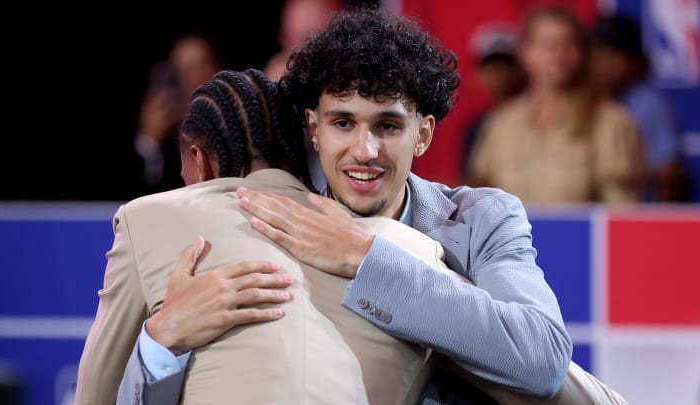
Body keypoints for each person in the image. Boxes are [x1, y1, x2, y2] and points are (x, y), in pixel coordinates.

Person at [231, 5, 573, 401]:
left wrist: (364, 257)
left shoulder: (482, 219)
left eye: (387, 126)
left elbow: (541, 359)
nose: (364, 150)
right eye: (343, 123)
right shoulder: (277, 225)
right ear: (314, 130)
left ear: (423, 134)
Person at [76, 68, 473, 405]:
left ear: (197, 159)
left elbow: (96, 396)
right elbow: (526, 375)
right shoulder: (416, 249)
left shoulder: (147, 218)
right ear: (309, 139)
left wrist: (160, 340)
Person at [467, 6, 646, 205]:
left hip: (578, 236)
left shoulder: (611, 122)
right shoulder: (502, 122)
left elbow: (621, 211)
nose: (556, 53)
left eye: (567, 44)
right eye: (545, 44)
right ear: (525, 52)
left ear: (582, 53)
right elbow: (481, 193)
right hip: (510, 236)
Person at [589, 13, 688, 202]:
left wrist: (623, 170)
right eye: (598, 56)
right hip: (580, 213)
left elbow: (669, 174)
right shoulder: (579, 100)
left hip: (636, 211)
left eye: (614, 56)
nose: (604, 66)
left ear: (636, 62)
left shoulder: (647, 102)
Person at [134, 32, 224, 196]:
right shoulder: (166, 137)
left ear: (216, 68)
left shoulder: (230, 127)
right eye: (182, 69)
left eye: (200, 66)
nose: (191, 77)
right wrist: (150, 141)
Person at [461, 22, 526, 181]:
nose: (499, 73)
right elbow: (472, 179)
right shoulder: (477, 126)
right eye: (491, 66)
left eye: (506, 65)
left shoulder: (537, 117)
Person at [263, 0, 345, 81]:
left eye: (314, 40)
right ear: (282, 38)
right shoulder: (276, 75)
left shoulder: (346, 78)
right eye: (298, 38)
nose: (304, 50)